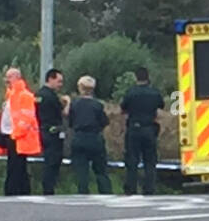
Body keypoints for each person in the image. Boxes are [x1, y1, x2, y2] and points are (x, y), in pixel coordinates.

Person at [0, 68, 42, 196]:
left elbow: (27, 118)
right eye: (6, 77)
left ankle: (14, 191)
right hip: (10, 134)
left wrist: (16, 134)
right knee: (16, 166)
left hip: (18, 136)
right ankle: (19, 191)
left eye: (9, 77)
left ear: (17, 77)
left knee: (17, 166)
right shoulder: (10, 95)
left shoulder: (24, 95)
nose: (7, 80)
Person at [120, 66, 165, 195]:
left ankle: (131, 188)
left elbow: (123, 109)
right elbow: (161, 107)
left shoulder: (130, 93)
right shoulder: (154, 93)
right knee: (150, 160)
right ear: (148, 77)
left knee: (132, 160)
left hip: (134, 129)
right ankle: (149, 188)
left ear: (136, 77)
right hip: (150, 129)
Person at [68, 75, 112, 194]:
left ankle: (83, 193)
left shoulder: (75, 104)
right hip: (94, 138)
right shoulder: (98, 105)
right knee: (101, 170)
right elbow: (104, 122)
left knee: (81, 171)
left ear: (80, 88)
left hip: (79, 138)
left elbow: (70, 122)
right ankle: (105, 192)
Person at [36, 68, 68, 195]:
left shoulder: (38, 94)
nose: (60, 85)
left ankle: (47, 187)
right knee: (53, 161)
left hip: (41, 131)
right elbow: (63, 113)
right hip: (53, 133)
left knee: (47, 161)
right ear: (50, 79)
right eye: (59, 81)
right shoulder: (51, 96)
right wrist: (68, 103)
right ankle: (49, 188)